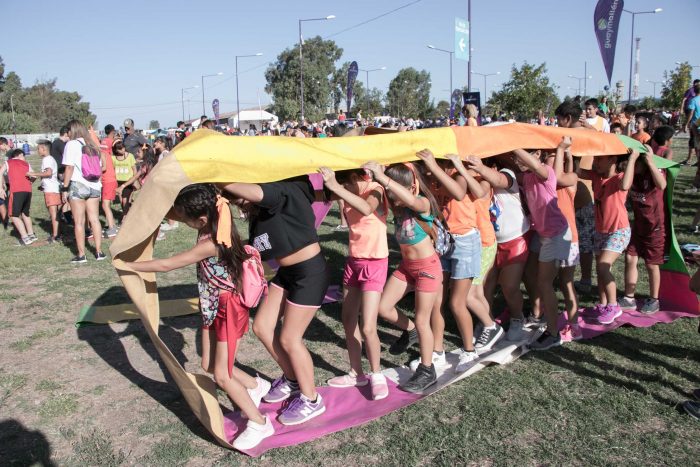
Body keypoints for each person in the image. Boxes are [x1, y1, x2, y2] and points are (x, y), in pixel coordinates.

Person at [124, 184, 274, 450]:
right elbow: (176, 212)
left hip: (228, 307)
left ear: (201, 219)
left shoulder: (213, 242)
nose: (180, 220)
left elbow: (167, 264)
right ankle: (255, 386)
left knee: (222, 376)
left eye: (185, 218)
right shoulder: (214, 218)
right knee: (208, 364)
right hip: (212, 305)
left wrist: (128, 266)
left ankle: (260, 422)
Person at [222, 176, 330, 425]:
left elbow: (252, 191)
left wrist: (217, 179)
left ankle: (312, 400)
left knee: (290, 338)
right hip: (288, 273)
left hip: (310, 273)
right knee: (261, 327)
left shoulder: (281, 191)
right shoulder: (258, 213)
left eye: (239, 199)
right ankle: (293, 379)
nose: (239, 204)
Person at [363, 161, 442, 393]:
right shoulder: (397, 204)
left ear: (412, 187)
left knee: (422, 319)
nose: (392, 197)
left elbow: (410, 200)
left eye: (395, 191)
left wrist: (385, 179)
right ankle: (410, 331)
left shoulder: (423, 203)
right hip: (407, 267)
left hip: (427, 268)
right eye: (389, 192)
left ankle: (428, 370)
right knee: (383, 308)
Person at [318, 166, 390, 400]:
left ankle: (376, 374)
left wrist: (337, 188)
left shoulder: (375, 188)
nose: (343, 192)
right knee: (348, 319)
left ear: (353, 178)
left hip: (375, 263)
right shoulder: (345, 189)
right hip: (354, 261)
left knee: (368, 326)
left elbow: (367, 207)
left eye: (345, 185)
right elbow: (318, 196)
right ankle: (356, 372)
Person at [417, 151, 486, 373]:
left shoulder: (459, 174)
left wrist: (435, 167)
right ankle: (437, 352)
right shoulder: (430, 177)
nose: (427, 169)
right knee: (437, 301)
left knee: (457, 302)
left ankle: (469, 350)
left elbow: (457, 193)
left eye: (431, 164)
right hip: (443, 241)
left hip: (465, 242)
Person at [513, 148, 571, 350]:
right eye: (515, 158)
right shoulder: (527, 176)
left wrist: (514, 145)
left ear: (537, 154)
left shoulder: (545, 171)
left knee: (545, 283)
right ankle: (539, 315)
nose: (517, 160)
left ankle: (553, 333)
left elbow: (536, 165)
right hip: (542, 234)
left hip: (556, 234)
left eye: (521, 156)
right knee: (532, 274)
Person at [470, 154, 530, 342]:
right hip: (491, 241)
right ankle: (486, 321)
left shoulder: (507, 173)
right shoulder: (478, 182)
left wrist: (479, 167)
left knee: (509, 286)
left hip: (515, 238)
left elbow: (497, 179)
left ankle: (517, 319)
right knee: (487, 285)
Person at [578, 150, 633, 325]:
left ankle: (613, 305)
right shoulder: (596, 176)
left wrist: (632, 159)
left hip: (618, 231)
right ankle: (603, 304)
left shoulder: (619, 178)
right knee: (600, 270)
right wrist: (574, 151)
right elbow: (577, 171)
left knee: (603, 266)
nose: (595, 162)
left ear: (613, 159)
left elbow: (625, 186)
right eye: (595, 158)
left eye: (600, 159)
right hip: (601, 230)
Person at [618, 149, 667, 314]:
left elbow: (662, 185)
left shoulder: (652, 172)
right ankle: (629, 298)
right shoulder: (632, 173)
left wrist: (651, 162)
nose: (625, 165)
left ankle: (654, 300)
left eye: (631, 161)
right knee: (630, 257)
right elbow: (624, 185)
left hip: (655, 227)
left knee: (651, 264)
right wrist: (631, 161)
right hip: (638, 226)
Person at [61, 119, 106, 263]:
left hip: (78, 185)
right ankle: (99, 252)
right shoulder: (92, 144)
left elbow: (69, 168)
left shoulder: (71, 144)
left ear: (71, 131)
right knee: (94, 219)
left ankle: (81, 255)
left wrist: (65, 188)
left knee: (79, 222)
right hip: (94, 185)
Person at [0, 149, 37, 245]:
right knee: (25, 213)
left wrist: (1, 189)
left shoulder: (8, 162)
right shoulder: (26, 164)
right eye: (24, 156)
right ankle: (31, 235)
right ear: (20, 155)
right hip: (28, 191)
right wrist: (29, 183)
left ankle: (25, 238)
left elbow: (0, 172)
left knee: (14, 215)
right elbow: (34, 176)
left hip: (16, 191)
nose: (24, 158)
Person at [27, 140, 61, 243]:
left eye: (38, 149)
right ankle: (57, 234)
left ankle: (56, 236)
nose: (37, 151)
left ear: (44, 149)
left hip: (51, 190)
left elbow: (48, 173)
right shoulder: (49, 159)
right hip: (51, 189)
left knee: (53, 213)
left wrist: (33, 174)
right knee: (55, 213)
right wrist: (42, 185)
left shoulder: (47, 159)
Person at [100, 125, 118, 238]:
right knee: (106, 204)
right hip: (110, 179)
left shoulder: (102, 152)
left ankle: (112, 228)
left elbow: (104, 167)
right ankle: (113, 225)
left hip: (108, 180)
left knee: (105, 204)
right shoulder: (107, 152)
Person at [111, 140, 137, 216]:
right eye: (120, 149)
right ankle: (127, 214)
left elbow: (134, 169)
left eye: (123, 148)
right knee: (121, 200)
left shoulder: (130, 156)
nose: (123, 150)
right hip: (118, 181)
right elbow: (112, 169)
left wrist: (134, 180)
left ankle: (125, 218)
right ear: (116, 150)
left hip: (128, 181)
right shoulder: (113, 158)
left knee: (125, 200)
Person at [680, 79, 700, 165]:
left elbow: (691, 113)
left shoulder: (694, 100)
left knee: (694, 142)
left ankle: (691, 160)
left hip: (696, 125)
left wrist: (686, 124)